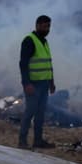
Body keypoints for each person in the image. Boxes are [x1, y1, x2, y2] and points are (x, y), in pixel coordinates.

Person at [18, 15, 56, 149]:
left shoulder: (44, 42)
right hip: (33, 85)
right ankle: (22, 142)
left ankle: (38, 141)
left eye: (49, 26)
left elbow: (48, 63)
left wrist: (51, 82)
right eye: (45, 26)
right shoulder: (29, 41)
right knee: (30, 113)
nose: (48, 29)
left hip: (44, 84)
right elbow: (23, 64)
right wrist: (26, 83)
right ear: (38, 25)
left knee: (40, 114)